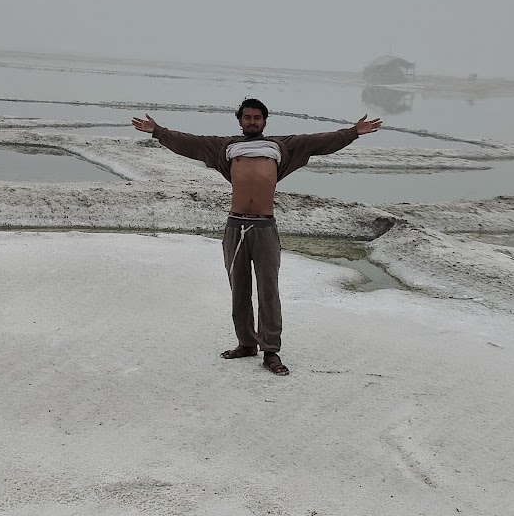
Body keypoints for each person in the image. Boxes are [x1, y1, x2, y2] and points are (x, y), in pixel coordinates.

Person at [131, 99, 381, 375]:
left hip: (264, 228)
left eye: (257, 118)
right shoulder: (226, 147)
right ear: (239, 121)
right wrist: (158, 131)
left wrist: (353, 132)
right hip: (235, 226)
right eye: (247, 117)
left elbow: (319, 142)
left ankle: (271, 351)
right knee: (239, 289)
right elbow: (190, 143)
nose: (252, 122)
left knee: (268, 291)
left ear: (265, 122)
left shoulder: (279, 146)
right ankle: (246, 343)